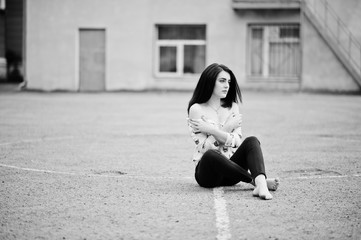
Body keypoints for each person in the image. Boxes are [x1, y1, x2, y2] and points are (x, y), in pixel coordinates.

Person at [187, 63, 279, 200]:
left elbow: (236, 142)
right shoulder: (196, 109)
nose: (227, 85)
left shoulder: (233, 107)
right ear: (210, 81)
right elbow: (205, 148)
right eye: (222, 81)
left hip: (232, 174)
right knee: (211, 155)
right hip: (207, 175)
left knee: (252, 141)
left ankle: (261, 185)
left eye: (229, 82)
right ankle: (254, 181)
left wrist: (211, 130)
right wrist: (226, 128)